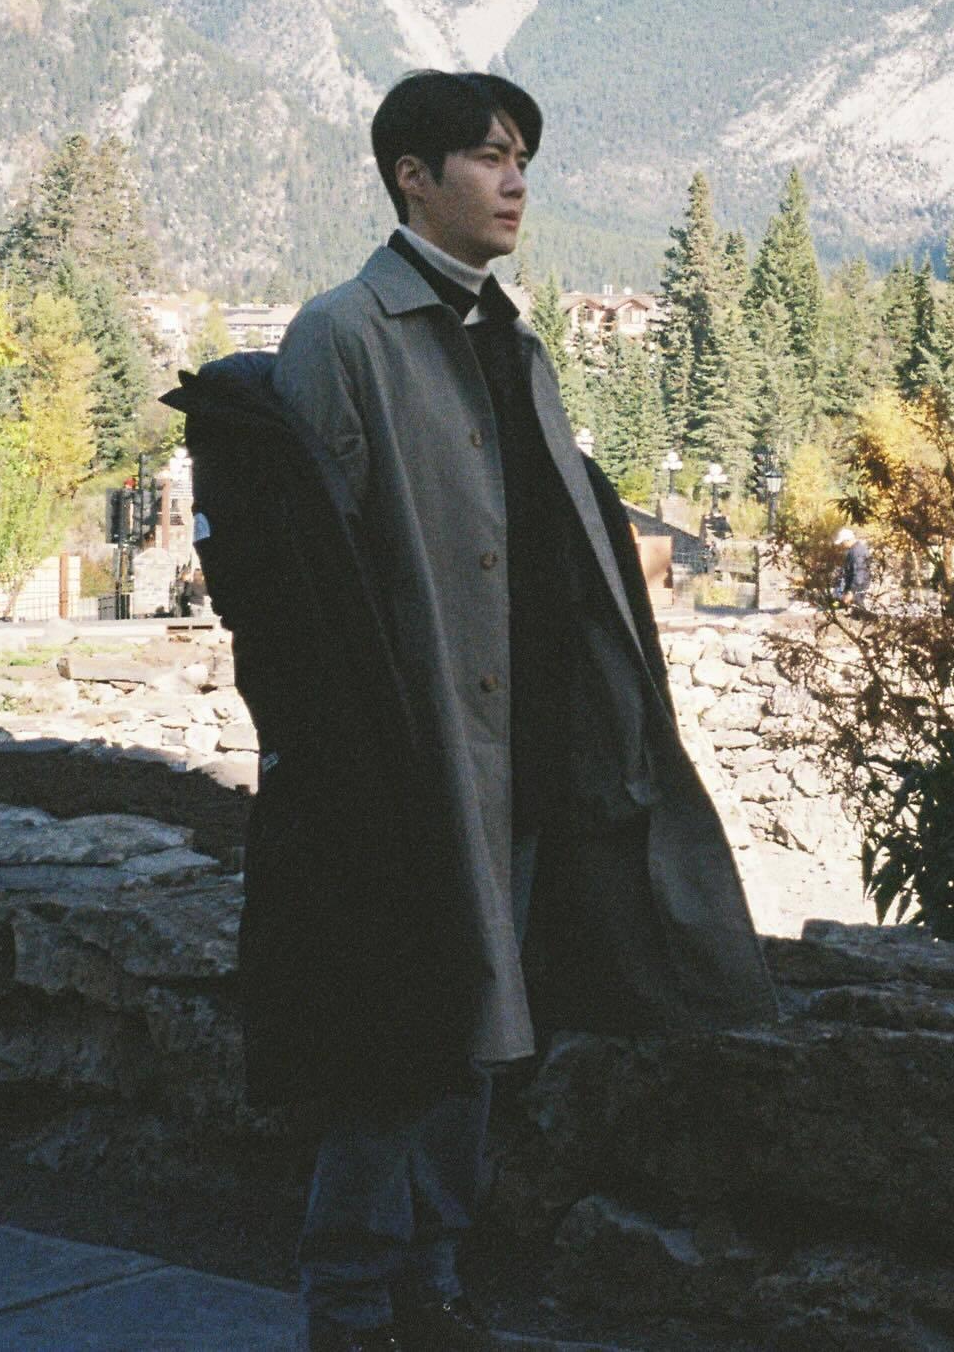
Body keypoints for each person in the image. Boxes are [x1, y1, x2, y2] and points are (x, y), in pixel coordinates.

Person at [230, 70, 775, 1352]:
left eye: (522, 154)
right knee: (400, 1035)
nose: (516, 178)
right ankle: (349, 1303)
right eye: (487, 155)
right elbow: (302, 584)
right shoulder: (346, 334)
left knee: (480, 1033)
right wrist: (356, 759)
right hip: (408, 762)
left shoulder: (508, 338)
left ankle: (431, 1285)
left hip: (520, 753)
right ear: (412, 177)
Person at [833, 525, 872, 607]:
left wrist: (851, 591)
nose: (842, 545)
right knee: (846, 607)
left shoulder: (857, 552)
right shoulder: (855, 550)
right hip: (855, 587)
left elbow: (859, 573)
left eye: (842, 542)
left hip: (857, 589)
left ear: (847, 540)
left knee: (856, 609)